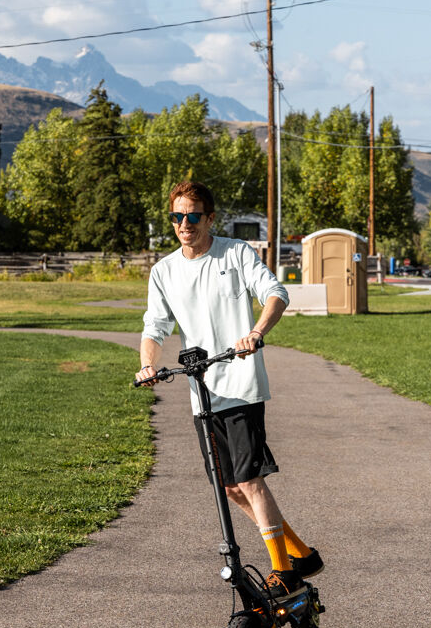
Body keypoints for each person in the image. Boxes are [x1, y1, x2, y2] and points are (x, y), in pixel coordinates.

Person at [136, 180, 322, 600]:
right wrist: (147, 364)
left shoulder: (236, 253)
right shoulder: (163, 270)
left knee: (250, 479)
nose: (185, 223)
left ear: (210, 218)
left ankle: (284, 570)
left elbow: (275, 293)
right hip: (201, 392)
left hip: (241, 385)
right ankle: (301, 553)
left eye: (193, 216)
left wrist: (255, 332)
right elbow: (155, 326)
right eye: (177, 216)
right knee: (229, 486)